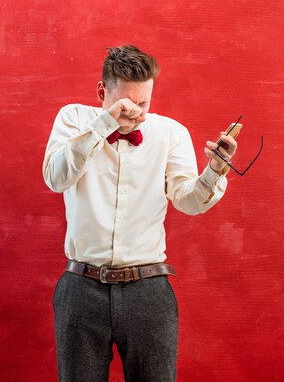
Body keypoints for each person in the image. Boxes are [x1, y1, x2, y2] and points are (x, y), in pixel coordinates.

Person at [42, 44, 238, 382]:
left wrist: (215, 170)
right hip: (81, 288)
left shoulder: (171, 134)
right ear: (102, 91)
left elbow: (187, 200)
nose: (137, 113)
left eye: (144, 102)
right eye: (127, 104)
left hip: (148, 290)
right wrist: (105, 124)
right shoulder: (73, 119)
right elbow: (56, 178)